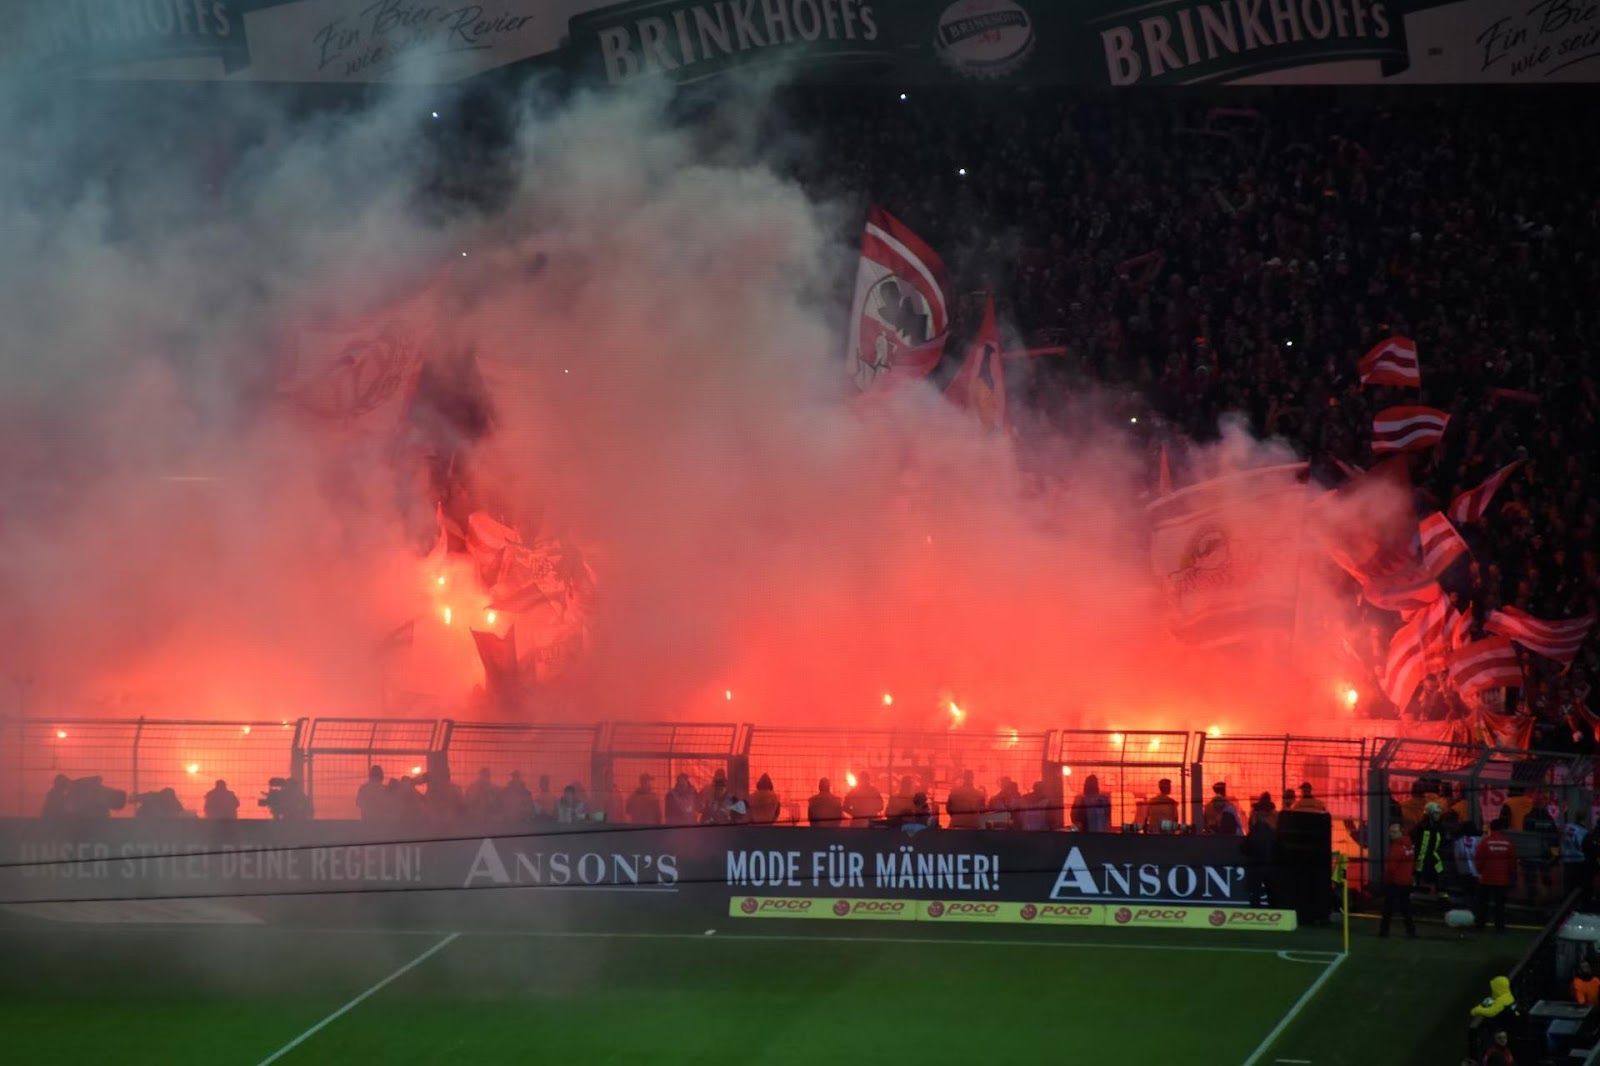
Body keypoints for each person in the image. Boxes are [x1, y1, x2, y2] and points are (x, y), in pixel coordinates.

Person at [1474, 816, 1518, 932]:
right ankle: (1499, 926)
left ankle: (1480, 925)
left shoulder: (1485, 842)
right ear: (1502, 828)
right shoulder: (1508, 842)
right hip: (1502, 879)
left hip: (1486, 878)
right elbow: (1512, 861)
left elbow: (1478, 858)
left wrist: (1480, 871)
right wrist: (1510, 873)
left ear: (1491, 828)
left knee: (1483, 903)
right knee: (1500, 905)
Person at [1379, 823, 1417, 939]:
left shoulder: (1396, 848)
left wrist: (1386, 880)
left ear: (1401, 832)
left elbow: (1391, 868)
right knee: (1406, 908)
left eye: (1394, 832)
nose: (1392, 834)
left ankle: (1384, 931)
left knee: (1388, 908)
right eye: (1391, 832)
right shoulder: (1409, 846)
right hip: (1405, 881)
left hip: (1394, 882)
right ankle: (1411, 931)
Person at [1241, 809, 1277, 907]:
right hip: (1269, 866)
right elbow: (1279, 848)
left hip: (1255, 867)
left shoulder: (1253, 833)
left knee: (1255, 893)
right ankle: (1274, 912)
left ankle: (1255, 911)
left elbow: (1243, 848)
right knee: (1271, 892)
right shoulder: (1272, 833)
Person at [1413, 801, 1448, 892]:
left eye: (1439, 813)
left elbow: (1443, 841)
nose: (1438, 816)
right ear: (1429, 814)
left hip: (1434, 856)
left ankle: (1442, 897)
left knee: (1440, 875)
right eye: (1436, 813)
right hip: (1421, 858)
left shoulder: (1440, 827)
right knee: (1418, 875)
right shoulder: (1420, 828)